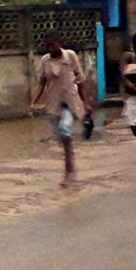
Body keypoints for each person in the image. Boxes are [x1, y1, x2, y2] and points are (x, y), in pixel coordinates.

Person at [30, 32, 93, 186]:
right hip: (53, 103)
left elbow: (80, 80)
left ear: (60, 43)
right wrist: (33, 103)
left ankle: (68, 173)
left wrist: (86, 103)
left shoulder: (70, 56)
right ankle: (71, 166)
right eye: (47, 46)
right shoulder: (45, 61)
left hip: (69, 102)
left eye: (53, 44)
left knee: (65, 132)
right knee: (62, 138)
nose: (50, 48)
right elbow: (41, 83)